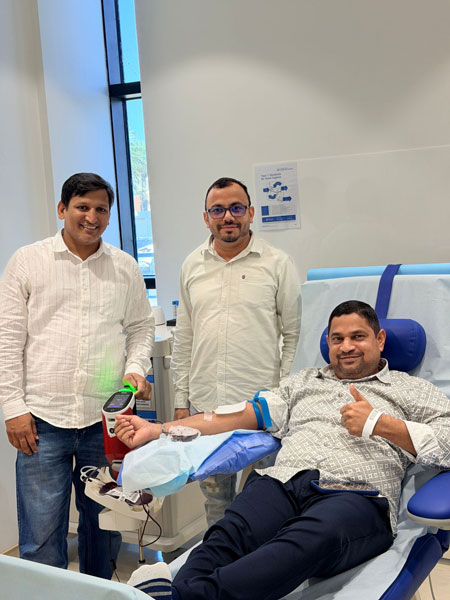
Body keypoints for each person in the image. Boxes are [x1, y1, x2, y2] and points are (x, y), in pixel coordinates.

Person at [116, 300, 450, 600]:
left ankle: (180, 597)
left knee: (303, 542)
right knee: (227, 535)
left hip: (356, 495)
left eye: (358, 337)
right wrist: (159, 429)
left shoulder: (411, 390)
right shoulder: (302, 382)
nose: (346, 347)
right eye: (337, 339)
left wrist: (380, 423)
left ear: (380, 339)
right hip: (283, 483)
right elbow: (236, 415)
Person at [0, 173, 154, 579]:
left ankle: (99, 590)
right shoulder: (28, 261)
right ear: (62, 209)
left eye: (101, 209)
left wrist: (135, 369)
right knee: (41, 534)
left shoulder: (124, 267)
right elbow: (7, 338)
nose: (92, 217)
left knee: (103, 525)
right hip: (41, 420)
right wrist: (13, 408)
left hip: (105, 420)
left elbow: (141, 327)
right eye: (82, 207)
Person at [171, 176, 301, 524]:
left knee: (263, 501)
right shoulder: (192, 265)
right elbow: (184, 337)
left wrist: (285, 395)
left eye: (236, 208)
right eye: (218, 210)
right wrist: (181, 401)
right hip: (206, 405)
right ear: (206, 218)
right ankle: (218, 557)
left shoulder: (277, 263)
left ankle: (259, 558)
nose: (228, 216)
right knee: (216, 501)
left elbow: (294, 335)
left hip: (261, 408)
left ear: (251, 213)